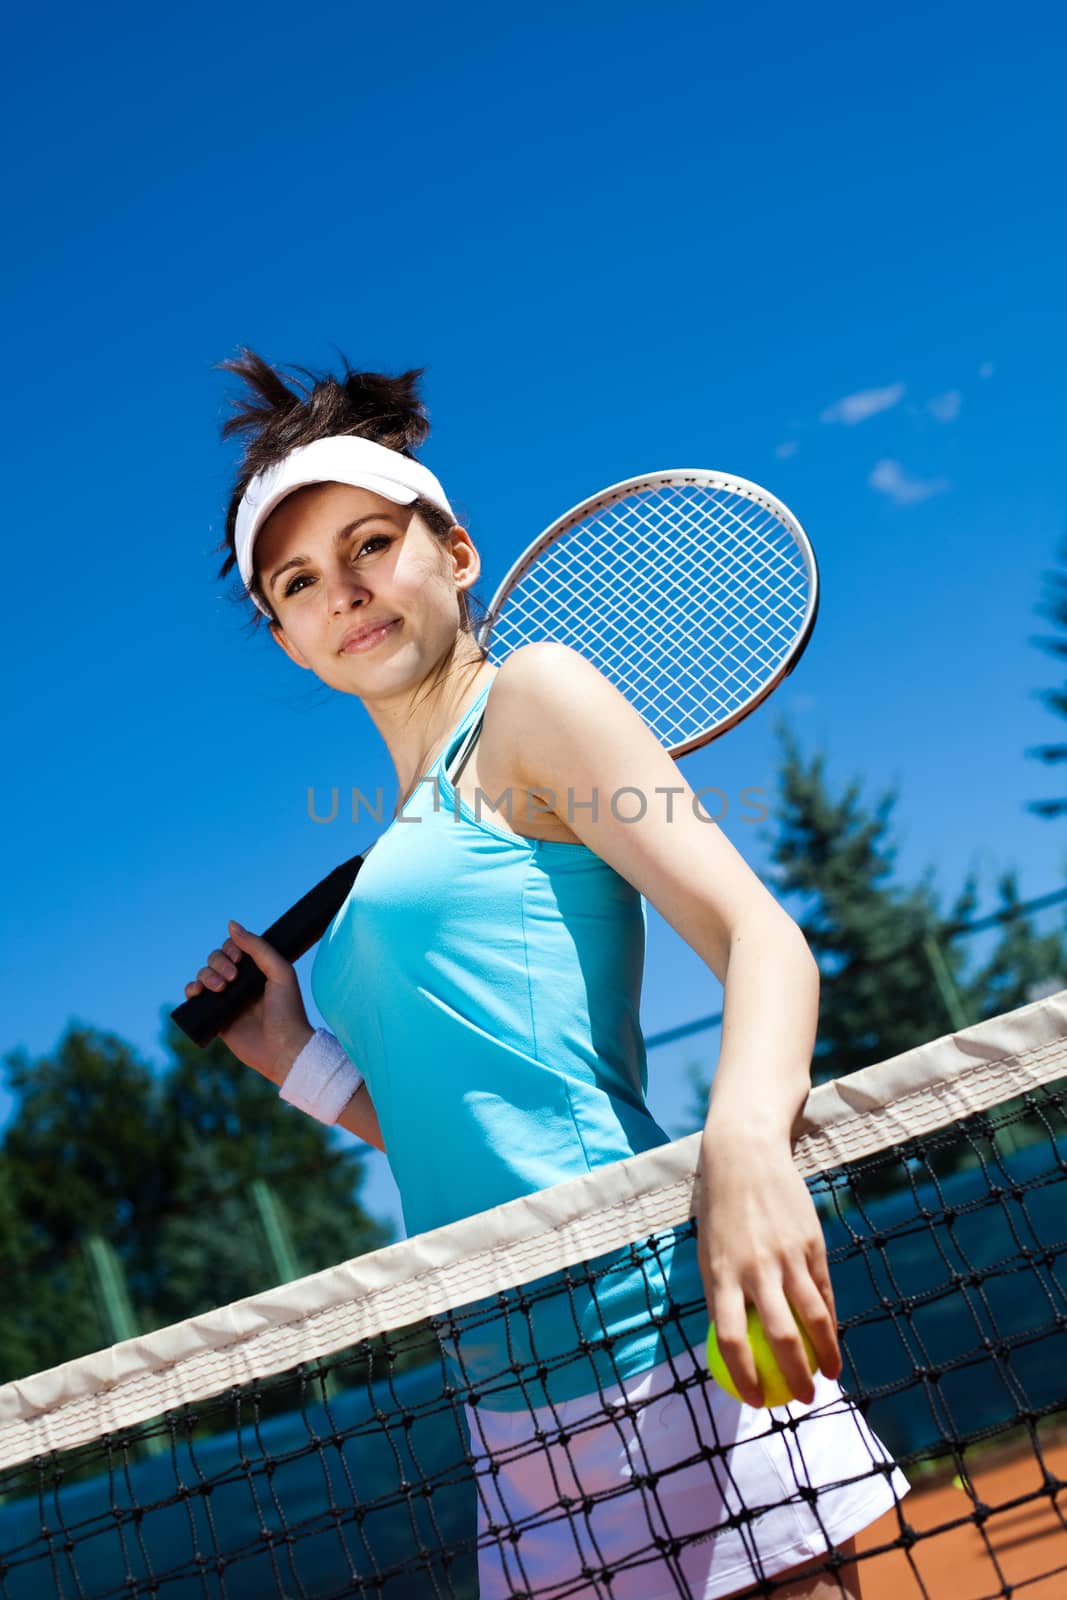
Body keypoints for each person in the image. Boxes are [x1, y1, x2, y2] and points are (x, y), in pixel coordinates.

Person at [185, 349, 910, 1599]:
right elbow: (461, 1114)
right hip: (512, 1388)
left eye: (369, 545)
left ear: (454, 552)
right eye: (299, 583)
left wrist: (742, 1149)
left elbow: (758, 937)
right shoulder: (389, 847)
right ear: (290, 641)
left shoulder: (532, 696)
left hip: (661, 1330)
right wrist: (295, 1058)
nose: (343, 593)